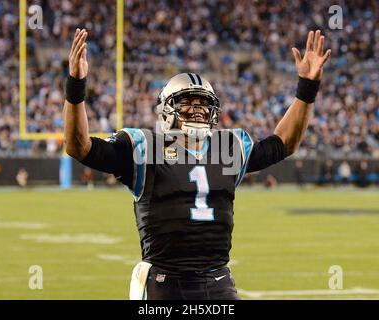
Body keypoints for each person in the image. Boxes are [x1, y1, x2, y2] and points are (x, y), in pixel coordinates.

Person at [63, 28, 331, 300]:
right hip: (163, 282)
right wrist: (76, 85)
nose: (198, 108)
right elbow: (79, 146)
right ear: (166, 110)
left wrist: (306, 88)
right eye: (187, 102)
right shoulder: (143, 147)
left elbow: (284, 143)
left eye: (203, 102)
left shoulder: (229, 146)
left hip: (218, 280)